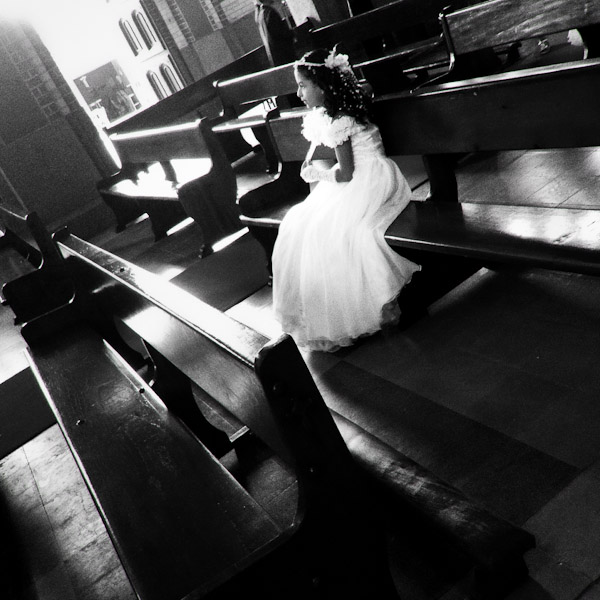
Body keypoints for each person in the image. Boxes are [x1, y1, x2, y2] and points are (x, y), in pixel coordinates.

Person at [272, 48, 420, 352]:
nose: (298, 93)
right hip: (376, 175)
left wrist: (317, 174)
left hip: (367, 182)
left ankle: (349, 311)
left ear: (323, 86)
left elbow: (346, 173)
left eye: (302, 85)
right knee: (300, 224)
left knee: (324, 232)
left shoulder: (340, 120)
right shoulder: (345, 107)